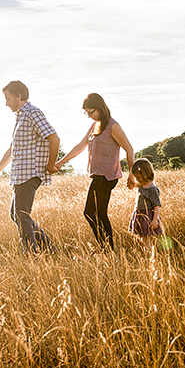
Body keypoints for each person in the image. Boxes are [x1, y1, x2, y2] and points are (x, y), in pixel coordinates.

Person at [0, 81, 60, 254]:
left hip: (30, 173)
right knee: (17, 214)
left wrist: (50, 165)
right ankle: (49, 249)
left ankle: (32, 255)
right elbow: (12, 149)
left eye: (8, 98)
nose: (6, 103)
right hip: (20, 175)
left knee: (21, 215)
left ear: (18, 96)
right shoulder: (20, 117)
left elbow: (54, 138)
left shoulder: (33, 113)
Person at [52, 93, 135, 250]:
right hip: (98, 175)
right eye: (87, 113)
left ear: (100, 108)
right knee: (98, 213)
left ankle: (107, 249)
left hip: (106, 176)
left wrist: (131, 174)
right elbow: (80, 146)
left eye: (91, 112)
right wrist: (61, 162)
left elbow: (129, 149)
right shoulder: (95, 125)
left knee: (91, 212)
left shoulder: (113, 126)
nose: (89, 116)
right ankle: (107, 249)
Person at [128, 158, 163, 262]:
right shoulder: (142, 185)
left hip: (147, 216)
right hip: (139, 214)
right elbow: (136, 185)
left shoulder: (152, 189)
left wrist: (155, 220)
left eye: (139, 177)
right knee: (140, 237)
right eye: (136, 177)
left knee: (146, 238)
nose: (138, 179)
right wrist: (132, 184)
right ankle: (145, 253)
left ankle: (149, 257)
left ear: (146, 173)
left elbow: (157, 205)